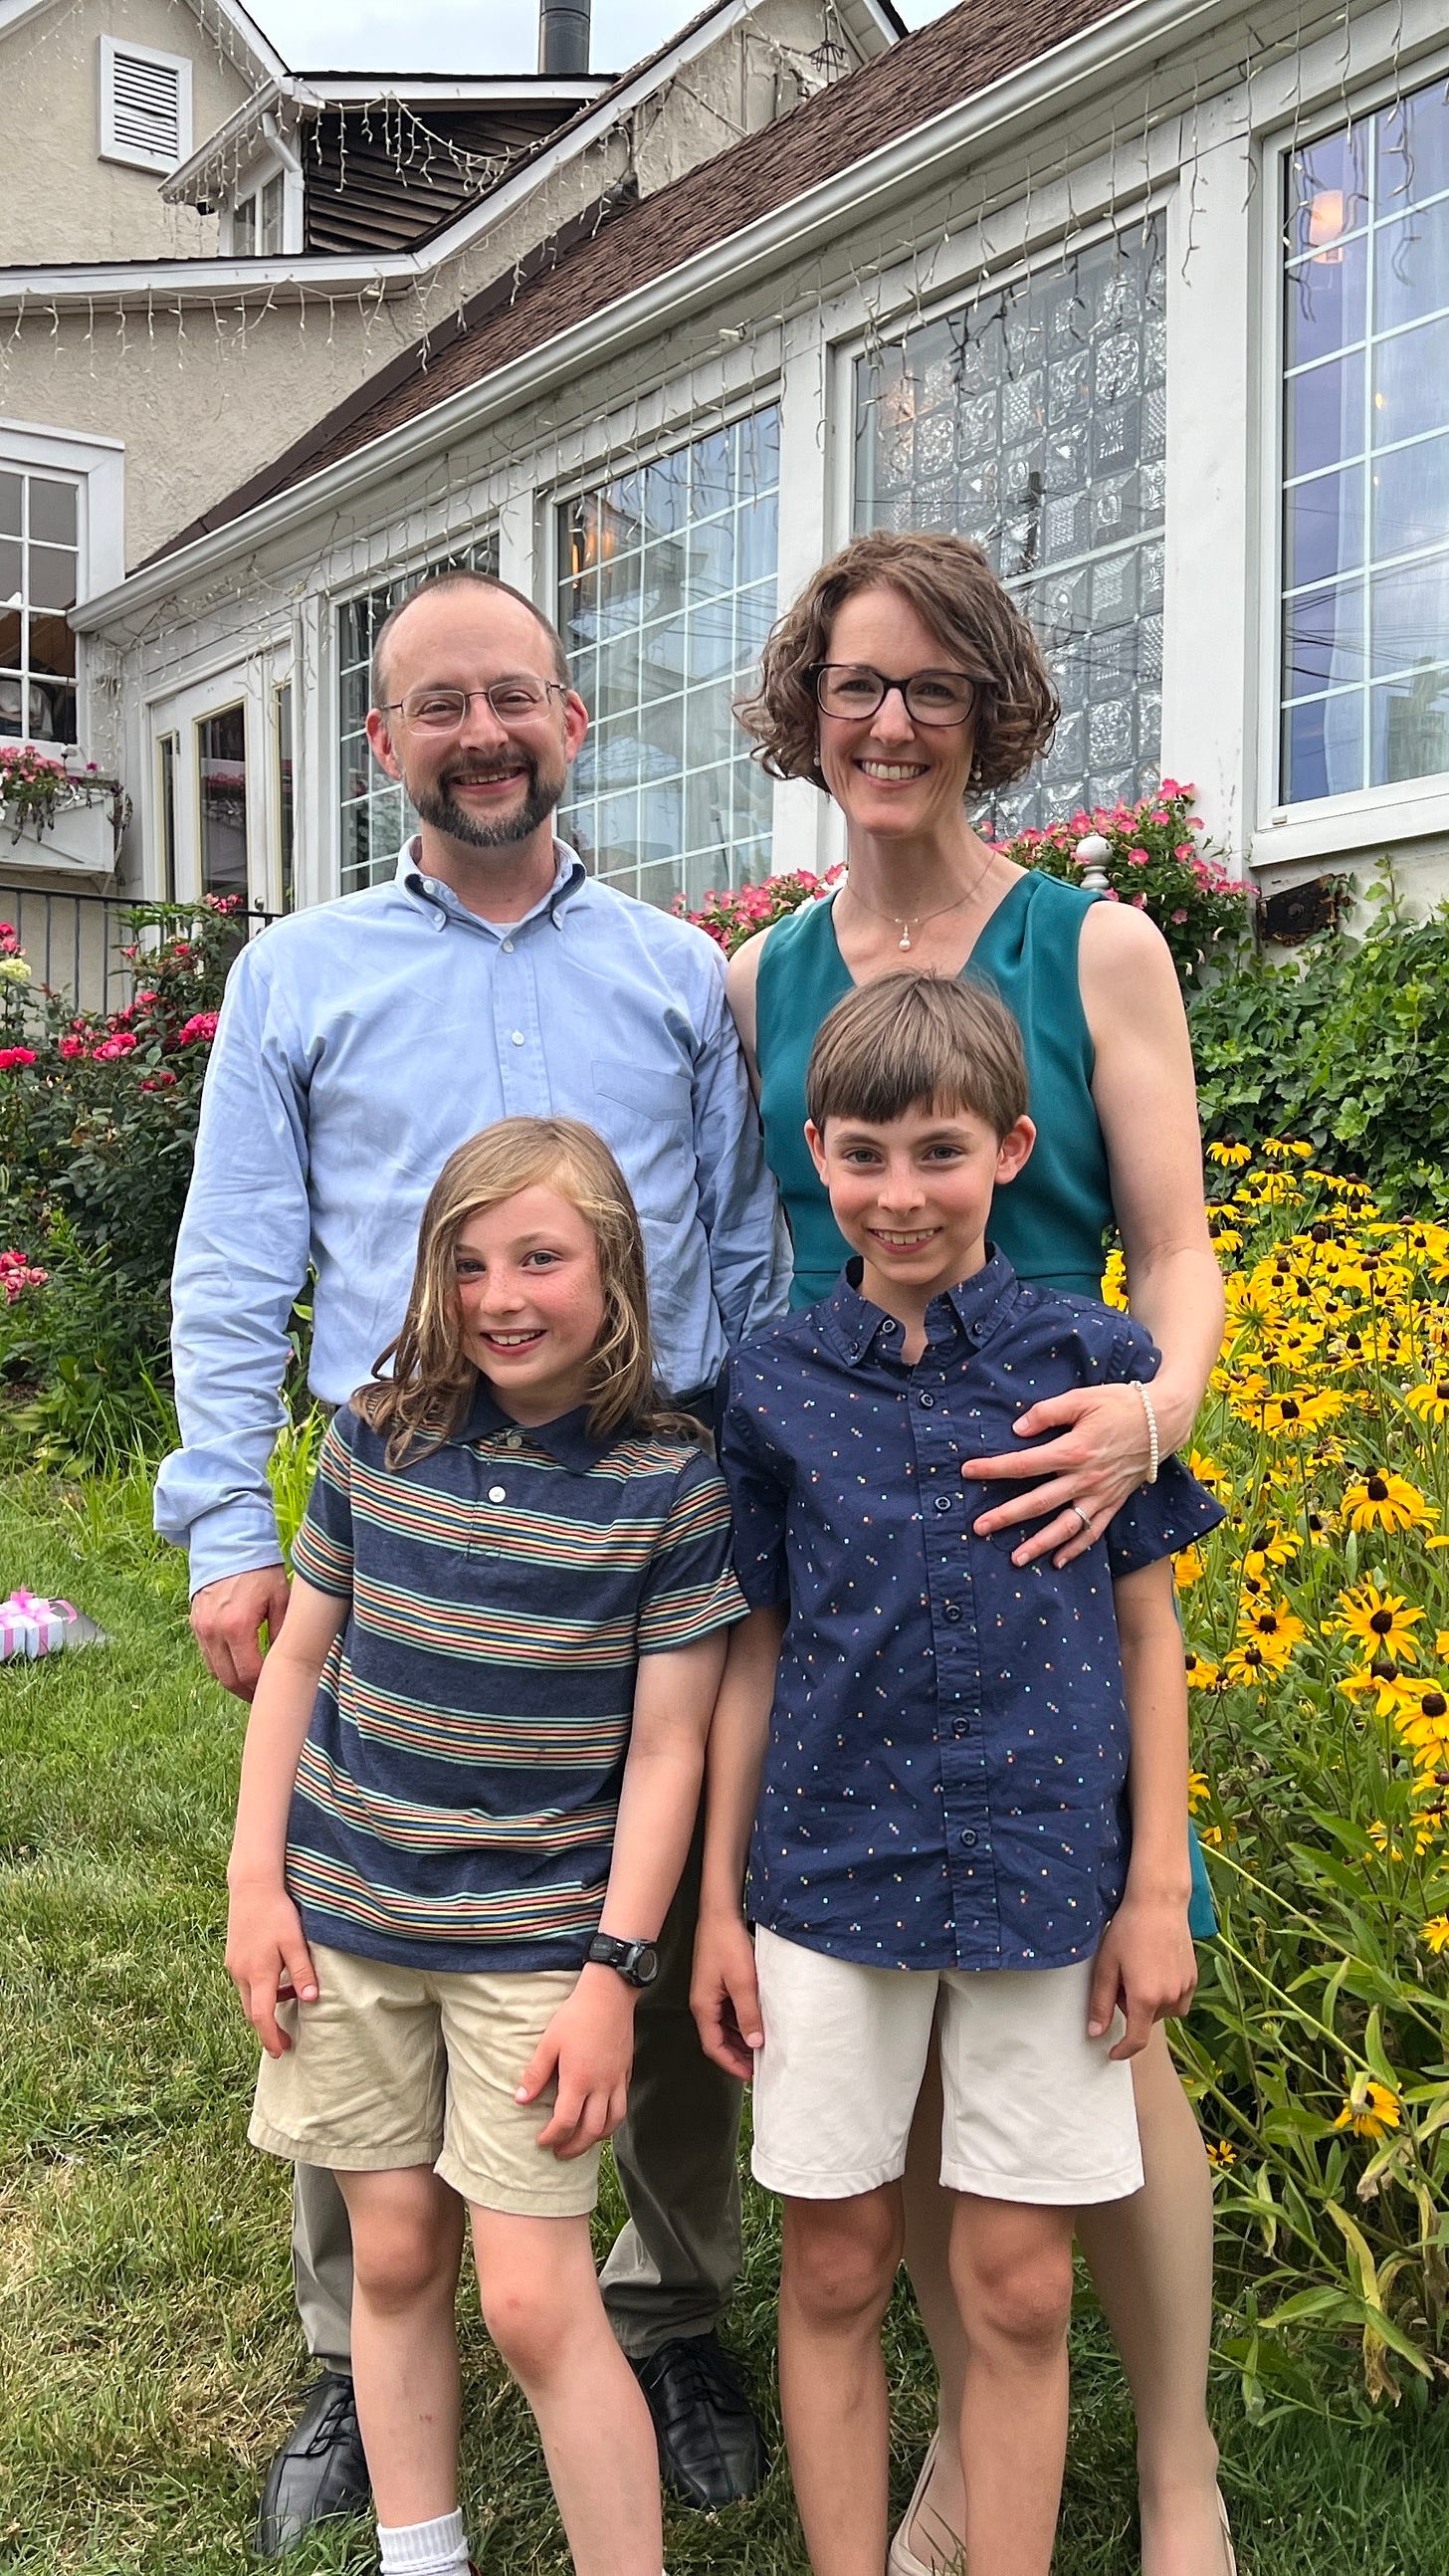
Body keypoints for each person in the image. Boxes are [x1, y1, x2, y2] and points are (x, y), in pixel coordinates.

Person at [155, 569, 785, 2551]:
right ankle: (357, 2335)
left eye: (513, 695)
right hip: (397, 1512)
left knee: (634, 1907)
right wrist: (229, 1529)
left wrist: (758, 1510)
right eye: (438, 705)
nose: (481, 733)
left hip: (638, 1512)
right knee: (368, 1891)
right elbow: (235, 1259)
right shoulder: (301, 974)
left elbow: (742, 1249)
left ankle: (664, 2312)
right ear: (384, 746)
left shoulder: (677, 973)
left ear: (570, 720)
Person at [726, 531, 1232, 2576]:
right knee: (905, 2078)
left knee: (1109, 2016)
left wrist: (1147, 1421)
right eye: (855, 683)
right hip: (855, 1526)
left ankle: (1178, 2466)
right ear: (805, 707)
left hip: (1054, 1509)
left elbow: (1177, 1251)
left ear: (986, 708)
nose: (889, 720)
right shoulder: (760, 977)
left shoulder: (1091, 948)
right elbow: (758, 1252)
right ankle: (949, 2461)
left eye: (931, 685)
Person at [227, 1117, 748, 2576]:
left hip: (540, 1946)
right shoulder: (374, 1440)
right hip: (349, 1923)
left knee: (530, 2298)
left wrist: (614, 1974)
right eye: (467, 1264)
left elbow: (672, 1749)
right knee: (394, 2256)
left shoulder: (673, 1482)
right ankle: (422, 2553)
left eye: (540, 1258)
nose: (501, 1297)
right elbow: (298, 1663)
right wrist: (256, 1882)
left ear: (616, 1270)